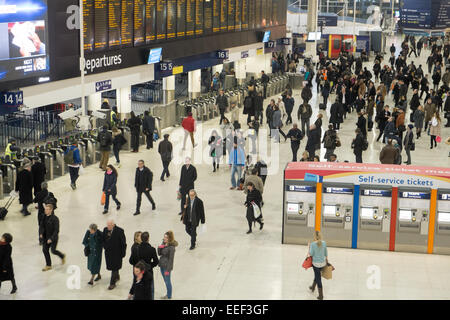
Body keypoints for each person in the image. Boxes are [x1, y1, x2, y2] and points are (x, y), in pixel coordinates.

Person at [39, 203, 66, 271]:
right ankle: (48, 265)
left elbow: (56, 230)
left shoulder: (55, 219)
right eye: (45, 209)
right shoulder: (43, 217)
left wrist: (51, 238)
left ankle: (62, 256)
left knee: (53, 251)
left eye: (47, 209)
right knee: (45, 250)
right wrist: (41, 233)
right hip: (45, 237)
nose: (46, 211)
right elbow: (41, 226)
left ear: (51, 210)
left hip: (53, 238)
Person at [102, 219, 126, 290]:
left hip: (117, 254)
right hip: (109, 253)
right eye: (107, 225)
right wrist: (105, 246)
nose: (108, 227)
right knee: (113, 267)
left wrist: (123, 253)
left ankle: (112, 283)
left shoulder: (120, 231)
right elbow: (103, 239)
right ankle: (117, 276)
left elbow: (123, 243)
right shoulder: (105, 230)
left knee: (115, 268)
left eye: (109, 225)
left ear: (113, 225)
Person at [136, 232, 159, 300]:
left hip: (140, 270)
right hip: (149, 271)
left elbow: (136, 259)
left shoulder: (137, 248)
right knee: (150, 289)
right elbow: (156, 261)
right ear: (148, 238)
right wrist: (150, 265)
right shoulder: (152, 249)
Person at [308, 231, 328, 300]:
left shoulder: (313, 244)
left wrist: (309, 246)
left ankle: (321, 296)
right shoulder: (324, 243)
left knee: (318, 278)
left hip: (316, 264)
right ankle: (313, 287)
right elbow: (326, 253)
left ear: (315, 237)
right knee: (317, 275)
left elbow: (311, 254)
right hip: (322, 264)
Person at [158, 231, 178, 300]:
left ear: (170, 238)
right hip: (162, 265)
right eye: (164, 237)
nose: (164, 238)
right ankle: (168, 294)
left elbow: (171, 260)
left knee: (167, 281)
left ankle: (169, 296)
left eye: (166, 237)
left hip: (166, 268)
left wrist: (168, 270)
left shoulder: (172, 247)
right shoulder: (163, 243)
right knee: (165, 281)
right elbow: (159, 253)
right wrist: (161, 246)